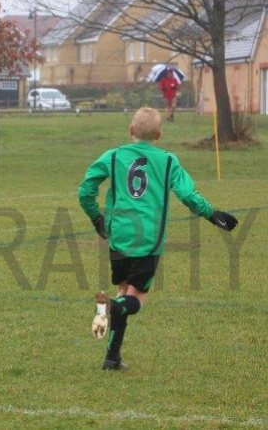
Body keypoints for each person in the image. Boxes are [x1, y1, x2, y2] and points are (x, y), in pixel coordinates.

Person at [78, 107, 238, 371]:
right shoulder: (168, 161)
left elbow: (86, 190)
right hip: (148, 239)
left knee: (123, 290)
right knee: (135, 300)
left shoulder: (113, 156)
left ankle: (112, 357)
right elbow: (187, 195)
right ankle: (110, 309)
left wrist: (96, 218)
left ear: (131, 130)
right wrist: (211, 214)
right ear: (159, 134)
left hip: (119, 236)